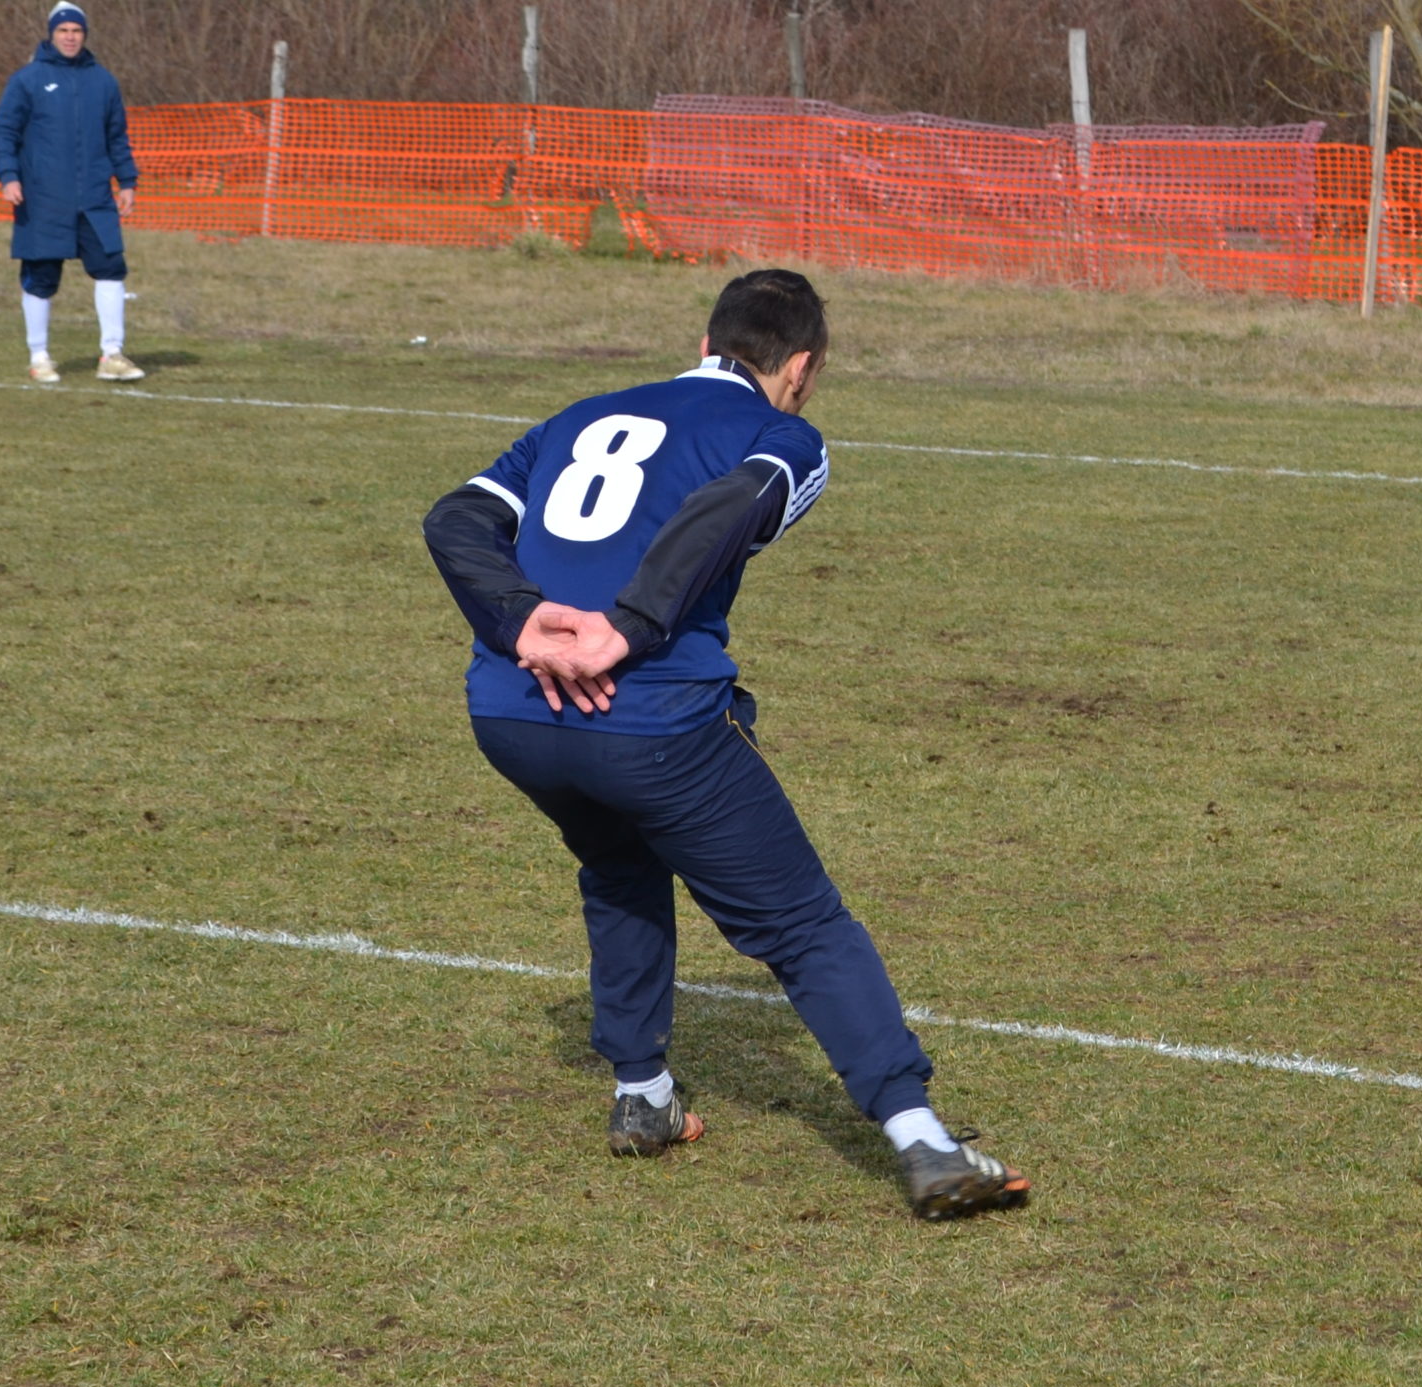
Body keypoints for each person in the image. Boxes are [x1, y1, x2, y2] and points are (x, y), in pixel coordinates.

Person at [421, 268, 1029, 1221]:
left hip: (513, 711)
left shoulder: (582, 413)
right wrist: (628, 626)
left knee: (619, 864)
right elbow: (731, 506)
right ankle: (924, 1142)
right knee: (802, 924)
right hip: (648, 718)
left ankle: (644, 1094)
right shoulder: (782, 433)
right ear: (800, 366)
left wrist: (519, 620)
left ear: (707, 342)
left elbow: (455, 517)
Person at [0, 1, 143, 385]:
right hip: (43, 198)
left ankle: (112, 355)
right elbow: (3, 132)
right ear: (51, 34)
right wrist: (8, 175)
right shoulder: (27, 79)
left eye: (77, 30)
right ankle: (39, 357)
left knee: (111, 267)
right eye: (63, 31)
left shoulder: (103, 81)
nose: (70, 37)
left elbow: (117, 137)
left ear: (85, 35)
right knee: (41, 277)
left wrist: (126, 181)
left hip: (94, 198)